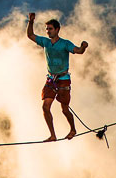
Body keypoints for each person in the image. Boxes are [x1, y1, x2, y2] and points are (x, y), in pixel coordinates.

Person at [26, 12, 88, 140]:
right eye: (47, 29)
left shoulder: (65, 44)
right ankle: (53, 135)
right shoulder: (45, 42)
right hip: (51, 79)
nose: (48, 31)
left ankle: (73, 129)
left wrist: (83, 47)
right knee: (45, 106)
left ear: (57, 30)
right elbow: (30, 35)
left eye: (50, 29)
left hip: (63, 79)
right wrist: (31, 21)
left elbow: (78, 51)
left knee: (65, 109)